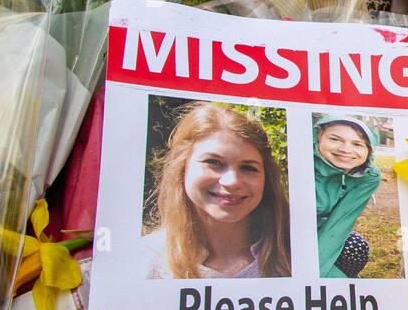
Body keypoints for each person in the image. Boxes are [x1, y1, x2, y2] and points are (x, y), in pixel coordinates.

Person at [144, 102, 290, 279]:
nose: (232, 181)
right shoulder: (144, 261)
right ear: (182, 166)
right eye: (213, 163)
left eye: (248, 168)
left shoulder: (295, 256)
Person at [314, 114, 381, 278]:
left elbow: (339, 226)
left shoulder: (368, 177)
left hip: (319, 231)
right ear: (319, 137)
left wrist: (315, 276)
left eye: (357, 144)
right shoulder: (298, 162)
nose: (345, 149)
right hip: (280, 234)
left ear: (368, 150)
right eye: (335, 139)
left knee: (355, 246)